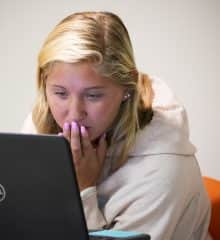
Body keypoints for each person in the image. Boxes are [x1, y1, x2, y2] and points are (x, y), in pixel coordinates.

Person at [21, 11, 212, 240]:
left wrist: (81, 190)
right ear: (44, 82)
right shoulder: (41, 124)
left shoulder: (163, 170)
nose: (73, 114)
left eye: (93, 96)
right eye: (60, 93)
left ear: (127, 88)